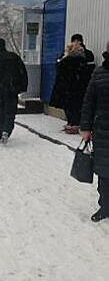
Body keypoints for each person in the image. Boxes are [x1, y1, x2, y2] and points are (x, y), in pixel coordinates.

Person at [80, 42, 109, 222]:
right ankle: (105, 207)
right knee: (104, 173)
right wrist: (85, 127)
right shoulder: (99, 72)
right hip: (103, 131)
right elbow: (89, 101)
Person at [49, 42, 90, 134]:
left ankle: (71, 123)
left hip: (66, 89)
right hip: (79, 89)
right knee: (77, 106)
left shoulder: (65, 61)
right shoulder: (83, 62)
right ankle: (75, 123)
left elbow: (60, 73)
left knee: (69, 107)